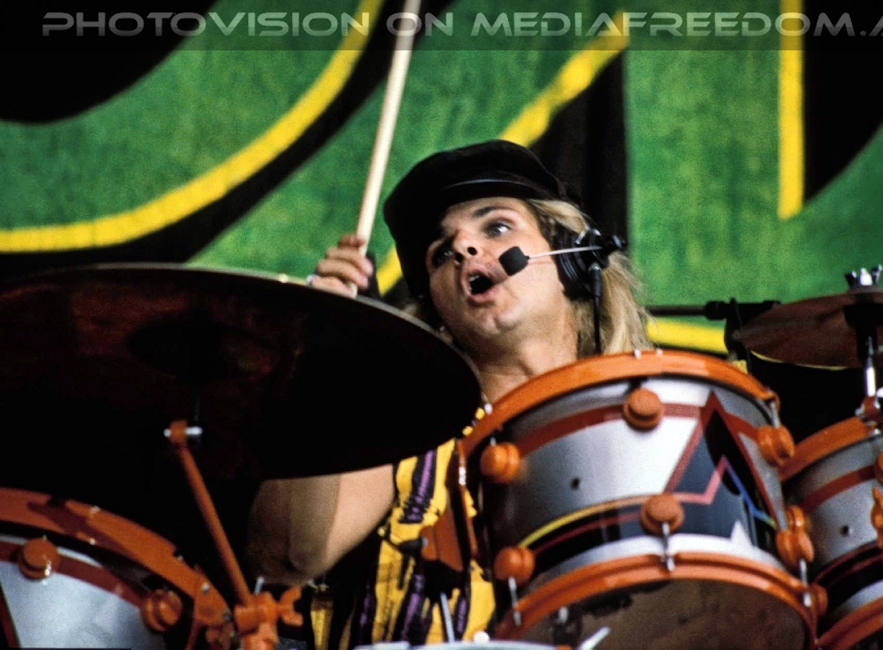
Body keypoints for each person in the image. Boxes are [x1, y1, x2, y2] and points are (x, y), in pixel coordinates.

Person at [246, 139, 652, 648]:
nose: (463, 248)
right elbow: (285, 557)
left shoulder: (647, 421)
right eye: (441, 254)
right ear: (438, 313)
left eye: (496, 227)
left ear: (570, 259)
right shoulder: (405, 428)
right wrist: (325, 357)